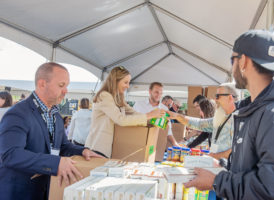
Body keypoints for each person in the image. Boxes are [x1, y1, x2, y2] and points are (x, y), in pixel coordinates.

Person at [184, 30, 274, 199]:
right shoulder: (255, 109)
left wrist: (217, 181)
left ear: (243, 61)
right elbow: (254, 167)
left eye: (233, 60)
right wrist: (223, 165)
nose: (232, 67)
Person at [0, 62, 102, 200]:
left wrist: (82, 151)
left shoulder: (55, 114)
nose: (66, 91)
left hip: (45, 190)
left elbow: (63, 145)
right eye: (61, 85)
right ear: (42, 84)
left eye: (66, 86)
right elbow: (10, 154)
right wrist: (55, 163)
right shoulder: (18, 113)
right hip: (20, 192)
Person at [85, 67, 165, 158]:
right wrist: (149, 115)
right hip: (97, 147)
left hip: (109, 148)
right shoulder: (104, 96)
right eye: (125, 82)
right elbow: (121, 120)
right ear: (115, 81)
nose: (128, 86)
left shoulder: (118, 97)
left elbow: (132, 112)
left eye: (128, 82)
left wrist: (151, 119)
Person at [168, 82, 238, 160]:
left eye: (218, 96)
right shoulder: (220, 118)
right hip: (217, 166)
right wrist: (177, 116)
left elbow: (235, 150)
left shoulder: (240, 120)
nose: (215, 99)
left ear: (230, 98)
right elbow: (199, 124)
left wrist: (212, 156)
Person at [133, 82, 179, 147]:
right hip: (138, 142)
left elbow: (168, 130)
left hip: (155, 144)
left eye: (161, 93)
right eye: (156, 92)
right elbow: (131, 121)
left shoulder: (164, 109)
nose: (159, 95)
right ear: (150, 91)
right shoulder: (138, 104)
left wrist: (175, 143)